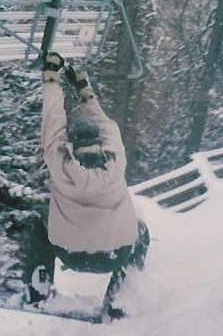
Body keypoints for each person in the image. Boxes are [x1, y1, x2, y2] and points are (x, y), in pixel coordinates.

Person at [22, 51, 150, 316]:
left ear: (73, 144)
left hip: (69, 254)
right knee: (142, 233)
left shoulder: (60, 162)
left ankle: (38, 290)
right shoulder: (117, 157)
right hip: (117, 255)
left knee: (37, 225)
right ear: (100, 141)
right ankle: (118, 300)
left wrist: (50, 77)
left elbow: (53, 120)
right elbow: (106, 123)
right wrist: (84, 89)